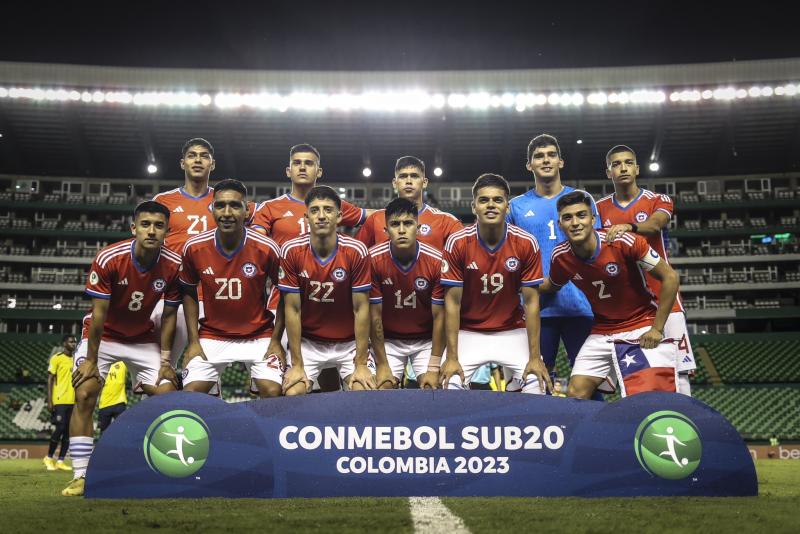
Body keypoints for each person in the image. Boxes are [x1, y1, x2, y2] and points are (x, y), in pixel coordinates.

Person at [63, 201, 182, 497]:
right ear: (134, 228)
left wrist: (167, 360)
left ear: (167, 230)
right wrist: (90, 360)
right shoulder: (110, 257)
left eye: (158, 225)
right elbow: (99, 315)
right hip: (103, 338)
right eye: (145, 224)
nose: (151, 231)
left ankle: (159, 468)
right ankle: (80, 474)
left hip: (142, 338)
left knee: (168, 397)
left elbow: (169, 316)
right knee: (85, 391)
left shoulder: (174, 264)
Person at [251, 143, 368, 392]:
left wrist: (418, 216)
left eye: (309, 163)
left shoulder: (332, 202)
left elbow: (375, 218)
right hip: (283, 300)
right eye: (297, 162)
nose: (303, 167)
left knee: (332, 385)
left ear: (319, 170)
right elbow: (258, 249)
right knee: (287, 384)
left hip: (334, 305)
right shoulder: (270, 208)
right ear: (288, 170)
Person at [540, 191, 680, 400]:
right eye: (567, 218)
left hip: (640, 324)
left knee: (646, 397)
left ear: (593, 220)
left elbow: (670, 277)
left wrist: (657, 329)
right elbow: (551, 285)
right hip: (602, 329)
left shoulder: (624, 241)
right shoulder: (561, 256)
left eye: (581, 215)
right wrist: (518, 283)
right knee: (576, 393)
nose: (575, 223)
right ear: (560, 224)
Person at [597, 145, 696, 395]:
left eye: (628, 162)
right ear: (608, 172)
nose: (623, 168)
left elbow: (655, 225)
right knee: (630, 372)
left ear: (637, 169)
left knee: (679, 369)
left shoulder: (658, 200)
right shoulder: (597, 209)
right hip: (625, 305)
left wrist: (628, 227)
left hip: (664, 295)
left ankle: (684, 426)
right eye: (616, 164)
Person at [439, 173, 551, 394]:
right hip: (468, 332)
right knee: (449, 387)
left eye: (497, 200)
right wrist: (451, 357)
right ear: (474, 207)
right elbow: (452, 303)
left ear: (507, 207)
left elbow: (531, 302)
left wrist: (535, 357)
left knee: (537, 386)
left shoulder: (526, 242)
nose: (491, 205)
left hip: (512, 330)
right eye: (484, 200)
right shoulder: (457, 242)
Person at [507, 134, 599, 388]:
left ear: (561, 161)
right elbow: (507, 257)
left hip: (580, 306)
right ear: (530, 165)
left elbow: (599, 249)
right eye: (539, 156)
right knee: (536, 385)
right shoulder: (516, 207)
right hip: (536, 309)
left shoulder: (583, 201)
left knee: (590, 385)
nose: (545, 160)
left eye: (551, 155)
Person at [180, 179, 285, 398]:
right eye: (220, 205)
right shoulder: (194, 247)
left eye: (235, 206)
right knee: (190, 395)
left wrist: (276, 341)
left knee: (273, 392)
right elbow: (189, 291)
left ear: (247, 211)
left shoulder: (266, 247)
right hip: (212, 335)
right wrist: (193, 342)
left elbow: (286, 292)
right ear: (212, 209)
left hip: (259, 336)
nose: (227, 212)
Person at [278, 186, 375, 395]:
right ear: (306, 217)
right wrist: (296, 364)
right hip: (309, 342)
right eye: (314, 210)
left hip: (349, 342)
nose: (321, 216)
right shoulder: (290, 250)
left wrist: (361, 363)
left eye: (328, 210)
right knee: (292, 393)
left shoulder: (356, 251)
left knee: (365, 392)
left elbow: (361, 310)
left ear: (339, 216)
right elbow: (292, 311)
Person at [368, 197, 445, 390]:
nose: (401, 230)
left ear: (418, 228)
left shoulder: (436, 261)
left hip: (426, 340)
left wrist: (434, 367)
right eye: (395, 224)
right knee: (382, 388)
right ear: (385, 230)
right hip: (388, 340)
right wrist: (383, 365)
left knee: (433, 390)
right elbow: (373, 317)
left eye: (408, 223)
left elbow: (440, 318)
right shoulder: (372, 260)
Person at [356, 156, 462, 249]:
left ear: (424, 183)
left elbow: (465, 257)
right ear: (394, 183)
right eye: (403, 176)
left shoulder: (446, 222)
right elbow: (355, 256)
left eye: (414, 176)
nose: (408, 181)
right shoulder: (375, 219)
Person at [44, 334, 77, 472]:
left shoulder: (76, 360)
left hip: (73, 401)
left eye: (75, 341)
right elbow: (50, 379)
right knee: (60, 428)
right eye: (71, 342)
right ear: (64, 343)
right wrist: (50, 400)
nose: (74, 344)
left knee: (68, 432)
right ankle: (49, 457)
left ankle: (61, 461)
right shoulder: (57, 358)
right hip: (60, 400)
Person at [97, 361, 127, 435]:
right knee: (103, 433)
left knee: (121, 431)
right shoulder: (101, 364)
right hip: (104, 404)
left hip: (120, 403)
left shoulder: (122, 363)